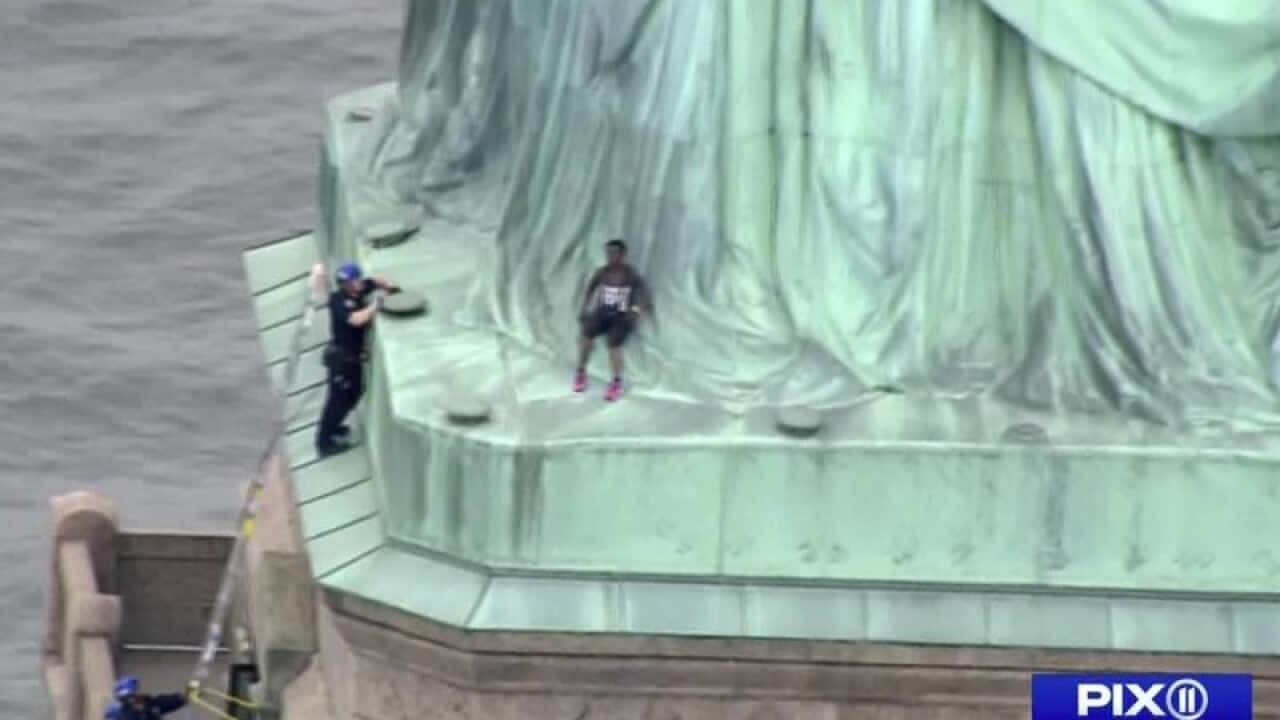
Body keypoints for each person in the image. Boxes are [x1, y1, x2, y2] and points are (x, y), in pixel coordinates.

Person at [316, 261, 398, 457]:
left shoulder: (360, 289)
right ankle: (324, 442)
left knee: (356, 392)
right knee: (336, 401)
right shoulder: (338, 301)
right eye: (354, 281)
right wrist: (374, 307)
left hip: (354, 359)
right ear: (345, 285)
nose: (359, 283)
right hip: (342, 361)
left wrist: (390, 287)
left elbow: (376, 281)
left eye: (359, 279)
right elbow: (355, 319)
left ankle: (336, 426)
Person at [573, 239, 651, 401]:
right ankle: (580, 372)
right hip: (602, 313)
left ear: (623, 255)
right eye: (608, 253)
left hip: (621, 317)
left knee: (613, 342)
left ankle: (616, 382)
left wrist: (636, 311)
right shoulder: (602, 272)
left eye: (615, 253)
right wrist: (584, 309)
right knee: (587, 333)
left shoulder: (630, 274)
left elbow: (644, 294)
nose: (611, 256)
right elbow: (590, 290)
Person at [103, 676, 185, 719]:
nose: (138, 696)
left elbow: (167, 702)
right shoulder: (118, 713)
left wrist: (182, 697)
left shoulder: (149, 705)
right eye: (134, 694)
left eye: (136, 693)